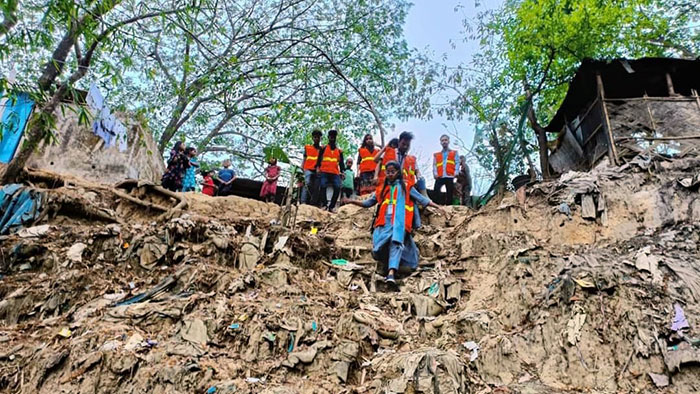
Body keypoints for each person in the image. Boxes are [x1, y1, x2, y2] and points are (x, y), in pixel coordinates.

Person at [342, 161, 444, 283]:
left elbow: (422, 200)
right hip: (383, 223)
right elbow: (368, 203)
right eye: (388, 172)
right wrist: (350, 201)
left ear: (397, 172)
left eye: (393, 171)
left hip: (399, 223)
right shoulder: (381, 188)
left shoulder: (406, 186)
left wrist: (438, 207)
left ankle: (391, 273)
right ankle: (388, 265)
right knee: (378, 248)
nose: (390, 174)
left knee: (396, 244)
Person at [316, 129, 345, 212]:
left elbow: (341, 164)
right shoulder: (323, 148)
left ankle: (332, 206)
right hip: (324, 171)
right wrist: (318, 168)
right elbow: (318, 159)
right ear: (328, 137)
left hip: (335, 172)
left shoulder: (339, 151)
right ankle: (324, 205)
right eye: (331, 136)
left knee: (337, 187)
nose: (332, 138)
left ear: (335, 138)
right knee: (322, 186)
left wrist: (342, 172)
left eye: (334, 136)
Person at [433, 134, 460, 205]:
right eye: (442, 140)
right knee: (436, 190)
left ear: (448, 141)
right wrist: (435, 173)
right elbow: (434, 165)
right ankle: (437, 205)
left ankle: (449, 206)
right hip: (440, 176)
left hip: (449, 175)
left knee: (450, 192)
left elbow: (457, 162)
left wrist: (456, 171)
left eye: (445, 140)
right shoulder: (437, 155)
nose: (444, 142)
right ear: (440, 142)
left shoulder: (454, 153)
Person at [301, 130, 323, 205]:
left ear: (320, 139)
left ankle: (313, 203)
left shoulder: (322, 149)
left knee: (317, 187)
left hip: (318, 170)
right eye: (315, 137)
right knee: (307, 183)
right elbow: (304, 158)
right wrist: (302, 167)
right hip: (308, 168)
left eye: (318, 137)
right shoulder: (307, 148)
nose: (316, 139)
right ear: (313, 138)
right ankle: (303, 202)